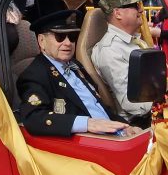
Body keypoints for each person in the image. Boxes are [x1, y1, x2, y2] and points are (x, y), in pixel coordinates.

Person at [18, 9, 130, 137]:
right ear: (41, 41)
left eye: (72, 37)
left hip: (113, 134)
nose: (68, 43)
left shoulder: (76, 65)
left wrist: (125, 126)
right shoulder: (34, 75)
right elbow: (34, 118)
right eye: (59, 37)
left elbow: (98, 106)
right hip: (86, 144)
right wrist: (87, 123)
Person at [90, 0, 159, 126]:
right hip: (140, 123)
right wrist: (163, 99)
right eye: (134, 6)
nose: (140, 9)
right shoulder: (110, 50)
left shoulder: (134, 41)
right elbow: (132, 103)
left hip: (153, 111)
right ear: (118, 13)